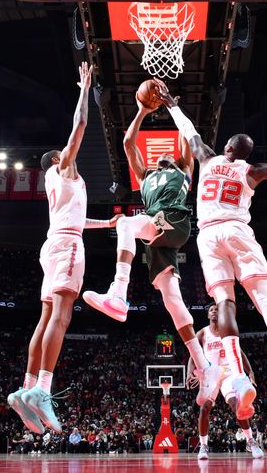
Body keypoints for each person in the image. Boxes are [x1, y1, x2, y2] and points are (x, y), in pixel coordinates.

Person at [154, 81, 267, 419]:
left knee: (224, 303)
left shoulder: (208, 159)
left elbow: (191, 134)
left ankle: (240, 376)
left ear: (228, 146)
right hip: (237, 230)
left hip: (208, 235)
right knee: (265, 301)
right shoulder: (254, 171)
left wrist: (172, 104)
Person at [7, 62, 121, 433]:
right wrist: (85, 89)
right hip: (67, 247)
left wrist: (105, 224)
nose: (68, 152)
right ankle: (43, 388)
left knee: (44, 318)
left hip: (55, 242)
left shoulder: (57, 185)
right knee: (62, 317)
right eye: (64, 152)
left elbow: (75, 218)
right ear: (58, 160)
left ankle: (25, 389)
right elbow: (80, 127)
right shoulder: (65, 169)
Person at [83, 100, 220, 405]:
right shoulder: (145, 176)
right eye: (161, 154)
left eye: (169, 153)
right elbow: (128, 142)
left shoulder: (184, 168)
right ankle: (204, 365)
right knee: (173, 301)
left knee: (126, 224)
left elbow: (187, 135)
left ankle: (118, 293)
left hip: (173, 219)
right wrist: (143, 110)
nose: (165, 155)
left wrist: (173, 107)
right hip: (159, 236)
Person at [188, 304, 263, 460]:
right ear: (208, 315)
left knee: (237, 406)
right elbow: (192, 353)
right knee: (204, 409)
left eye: (217, 309)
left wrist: (250, 372)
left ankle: (251, 441)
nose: (214, 311)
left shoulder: (227, 332)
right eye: (211, 310)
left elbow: (239, 352)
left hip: (228, 373)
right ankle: (203, 446)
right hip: (211, 374)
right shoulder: (203, 332)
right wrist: (189, 372)